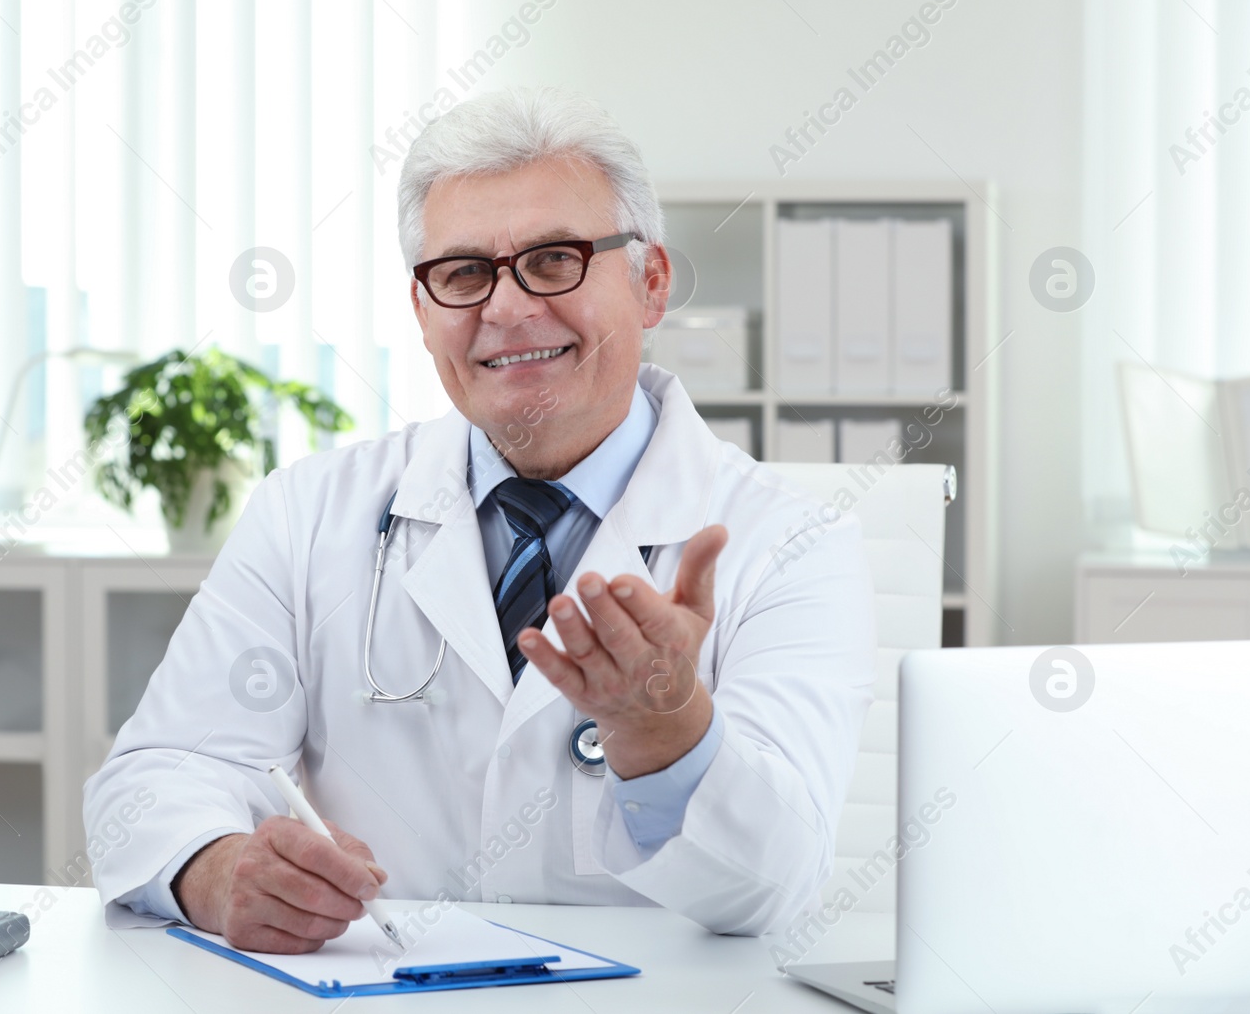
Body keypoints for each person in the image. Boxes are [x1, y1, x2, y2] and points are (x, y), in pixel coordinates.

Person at [83, 87, 875, 954]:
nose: (505, 308)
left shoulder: (793, 543)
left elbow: (775, 882)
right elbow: (154, 775)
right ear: (423, 313)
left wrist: (665, 728)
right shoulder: (307, 514)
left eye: (553, 260)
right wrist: (216, 867)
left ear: (651, 283)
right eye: (463, 274)